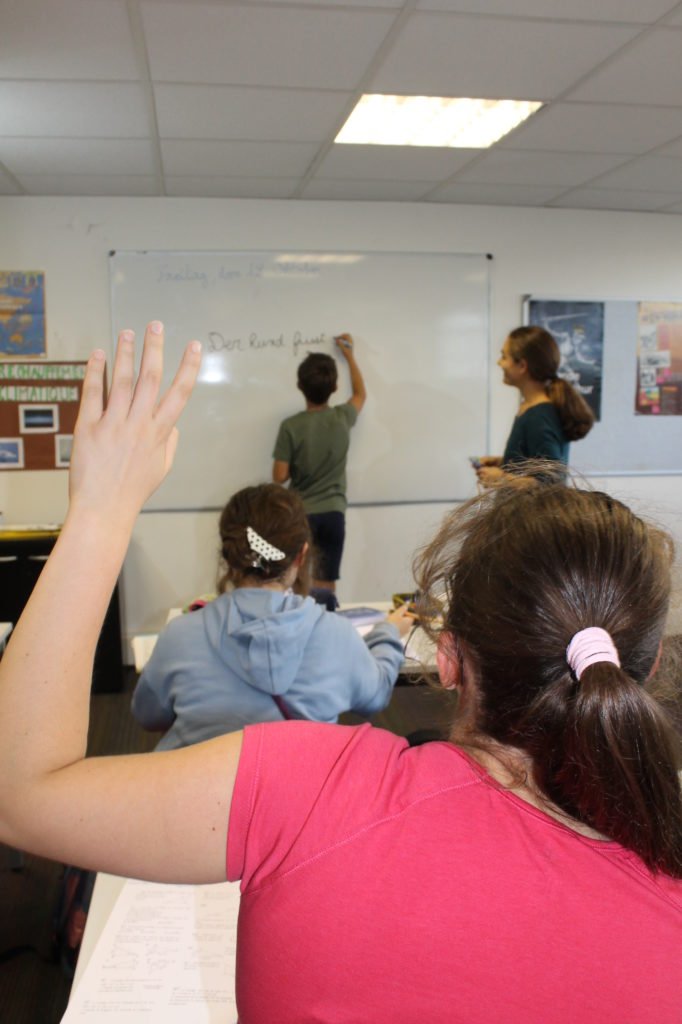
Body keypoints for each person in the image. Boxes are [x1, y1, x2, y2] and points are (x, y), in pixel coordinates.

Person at [0, 324, 680, 1024]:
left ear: (447, 658)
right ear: (650, 662)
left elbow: (20, 791)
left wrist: (101, 510)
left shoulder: (309, 789)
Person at [131, 483, 410, 749]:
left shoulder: (180, 635)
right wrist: (387, 633)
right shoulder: (337, 635)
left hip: (198, 795)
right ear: (301, 556)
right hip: (298, 796)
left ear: (229, 556)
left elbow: (148, 716)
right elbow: (375, 696)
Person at [272, 334, 365, 592]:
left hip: (302, 513)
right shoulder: (342, 417)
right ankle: (326, 625)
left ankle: (300, 629)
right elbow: (360, 394)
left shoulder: (290, 426)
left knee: (297, 578)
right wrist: (349, 356)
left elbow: (279, 476)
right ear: (334, 388)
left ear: (300, 385)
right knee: (326, 581)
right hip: (334, 513)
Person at [476, 324, 594, 487]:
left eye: (504, 357)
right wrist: (504, 462)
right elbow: (534, 462)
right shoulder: (531, 408)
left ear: (522, 366)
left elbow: (552, 480)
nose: (499, 363)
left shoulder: (539, 415)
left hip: (533, 512)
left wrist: (501, 478)